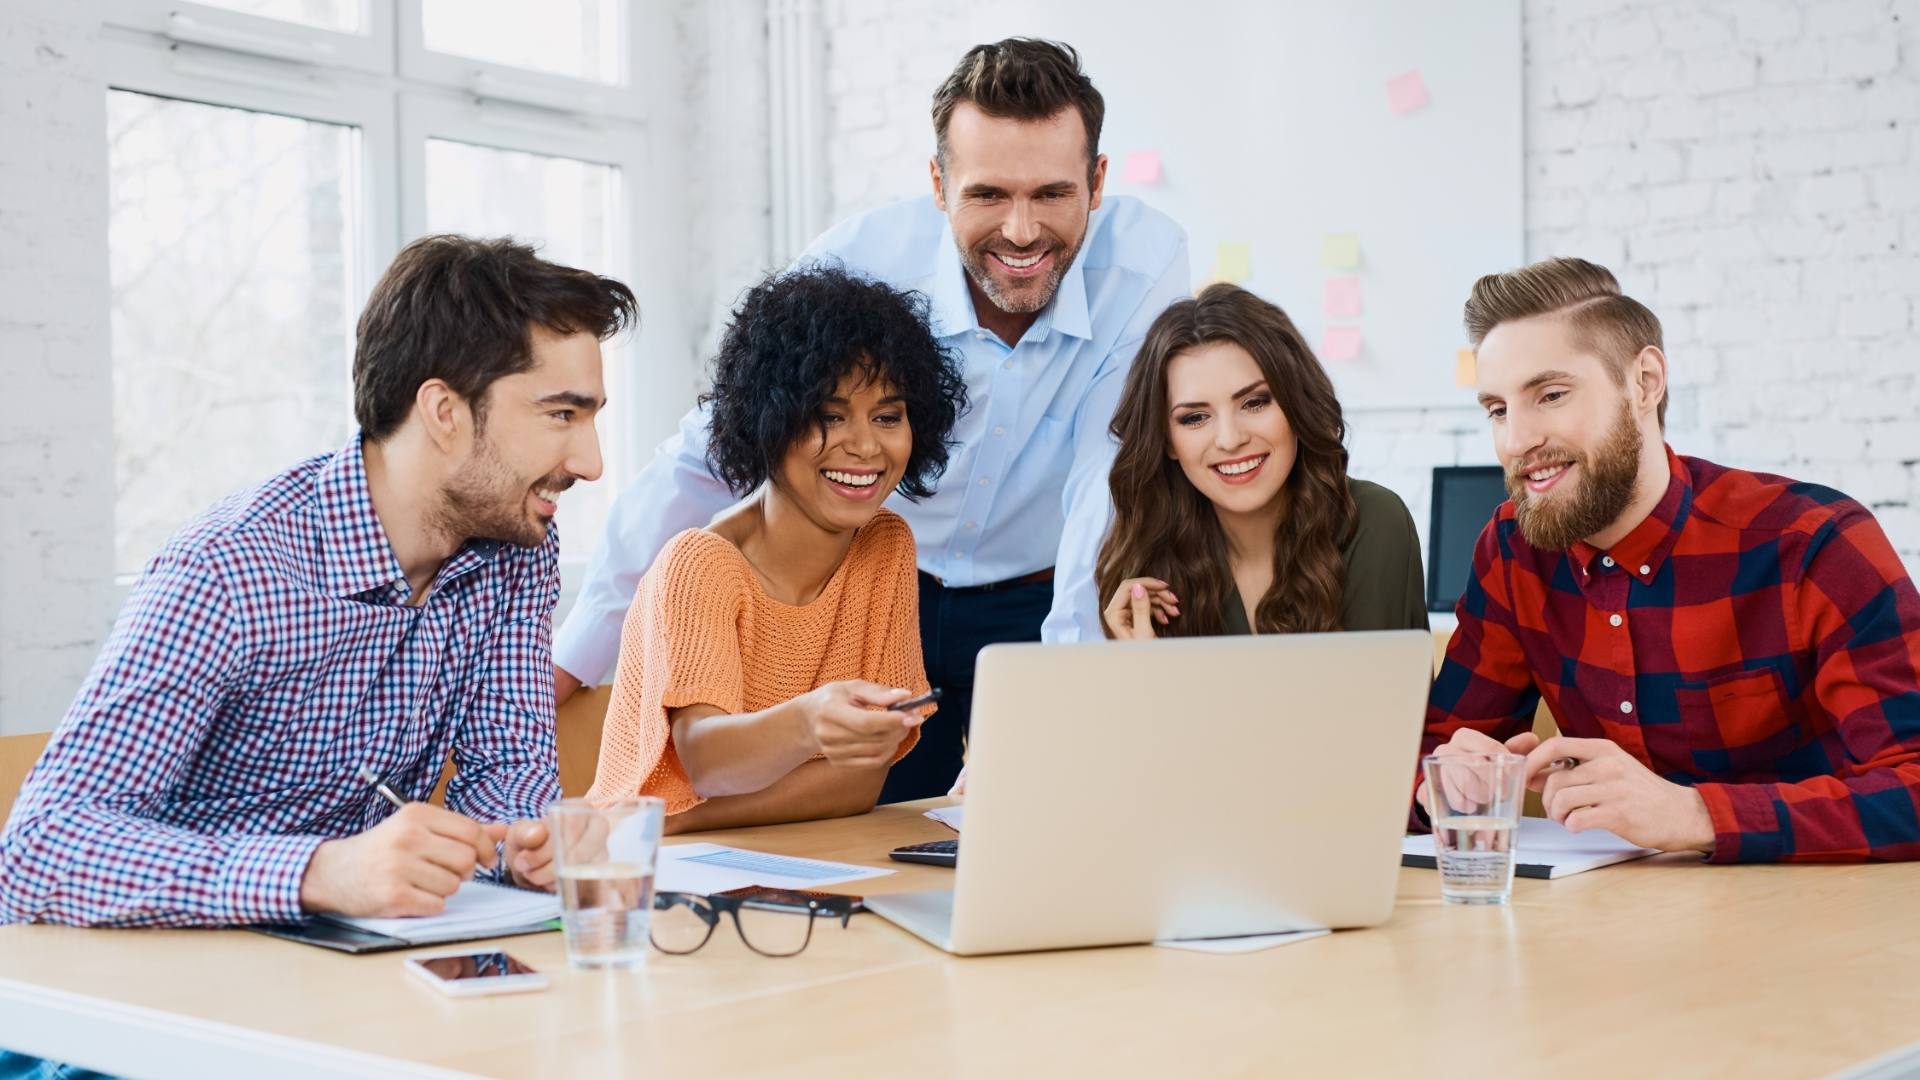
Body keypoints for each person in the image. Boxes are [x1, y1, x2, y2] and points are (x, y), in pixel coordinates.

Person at [555, 38, 1189, 802]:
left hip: (1041, 594)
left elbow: (1107, 479)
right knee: (874, 822)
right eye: (987, 194)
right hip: (888, 586)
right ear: (938, 182)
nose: (1021, 232)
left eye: (1052, 194)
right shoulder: (864, 258)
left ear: (1097, 182)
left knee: (1037, 820)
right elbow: (714, 447)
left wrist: (1060, 699)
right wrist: (575, 657)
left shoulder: (1144, 263)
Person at [0, 235, 637, 929]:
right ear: (444, 412)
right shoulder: (231, 570)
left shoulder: (517, 551)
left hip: (345, 966)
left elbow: (507, 771)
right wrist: (317, 872)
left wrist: (527, 842)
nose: (592, 462)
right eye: (562, 415)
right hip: (145, 983)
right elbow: (38, 850)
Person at [1422, 256, 1920, 862]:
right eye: (1498, 409)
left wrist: (1694, 813)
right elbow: (1440, 754)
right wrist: (1447, 780)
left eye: (1550, 395)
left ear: (1646, 380)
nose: (1516, 441)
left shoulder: (1813, 542)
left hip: (1810, 922)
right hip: (1609, 924)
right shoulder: (1511, 550)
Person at [585, 267, 965, 832]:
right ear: (769, 421)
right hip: (642, 868)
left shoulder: (887, 547)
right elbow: (708, 762)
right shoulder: (701, 564)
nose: (864, 445)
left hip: (788, 853)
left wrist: (675, 818)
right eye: (828, 417)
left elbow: (860, 780)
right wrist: (810, 726)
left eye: (888, 417)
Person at [1096, 283, 1428, 639]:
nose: (1230, 439)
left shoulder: (1374, 524)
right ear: (1167, 441)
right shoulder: (1146, 566)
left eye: (1255, 403)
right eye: (1194, 418)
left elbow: (1379, 694)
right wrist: (1142, 667)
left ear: (1295, 405)